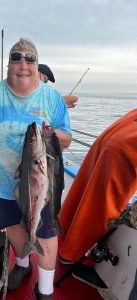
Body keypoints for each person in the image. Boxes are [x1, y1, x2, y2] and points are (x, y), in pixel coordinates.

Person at [0, 38, 72, 299]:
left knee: (45, 236)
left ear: (38, 65)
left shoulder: (52, 98)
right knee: (14, 228)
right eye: (17, 57)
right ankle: (23, 266)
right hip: (2, 181)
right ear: (9, 65)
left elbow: (67, 139)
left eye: (30, 58)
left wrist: (50, 134)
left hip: (41, 184)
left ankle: (45, 290)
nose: (23, 64)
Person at [58, 108, 137, 289]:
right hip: (122, 154)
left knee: (86, 192)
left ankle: (67, 247)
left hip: (112, 140)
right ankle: (77, 257)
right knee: (103, 207)